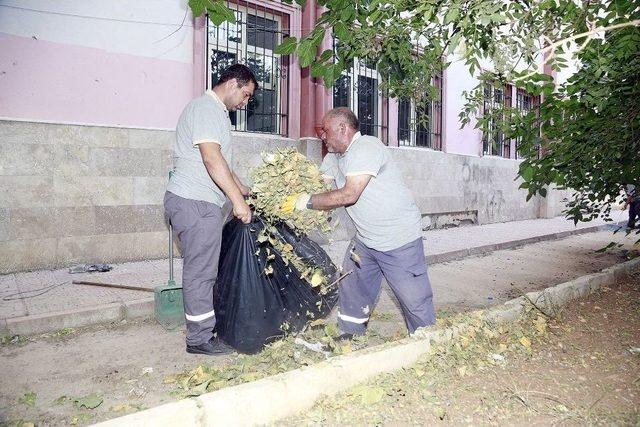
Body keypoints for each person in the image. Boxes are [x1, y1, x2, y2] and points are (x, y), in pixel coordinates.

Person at [282, 107, 436, 338]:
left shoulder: (367, 147)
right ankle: (350, 334)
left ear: (342, 128)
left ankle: (428, 340)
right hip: (365, 240)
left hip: (398, 238)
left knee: (414, 297)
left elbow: (349, 195)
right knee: (353, 286)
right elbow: (321, 189)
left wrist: (306, 202)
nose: (322, 136)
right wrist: (292, 204)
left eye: (325, 130)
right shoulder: (334, 157)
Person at [164, 64, 257, 355]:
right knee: (201, 273)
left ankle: (203, 330)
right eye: (245, 94)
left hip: (199, 202)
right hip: (195, 203)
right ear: (231, 84)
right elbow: (211, 159)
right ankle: (199, 339)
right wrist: (238, 204)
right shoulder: (206, 108)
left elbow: (222, 164)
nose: (245, 102)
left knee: (204, 270)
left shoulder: (215, 113)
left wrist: (241, 188)